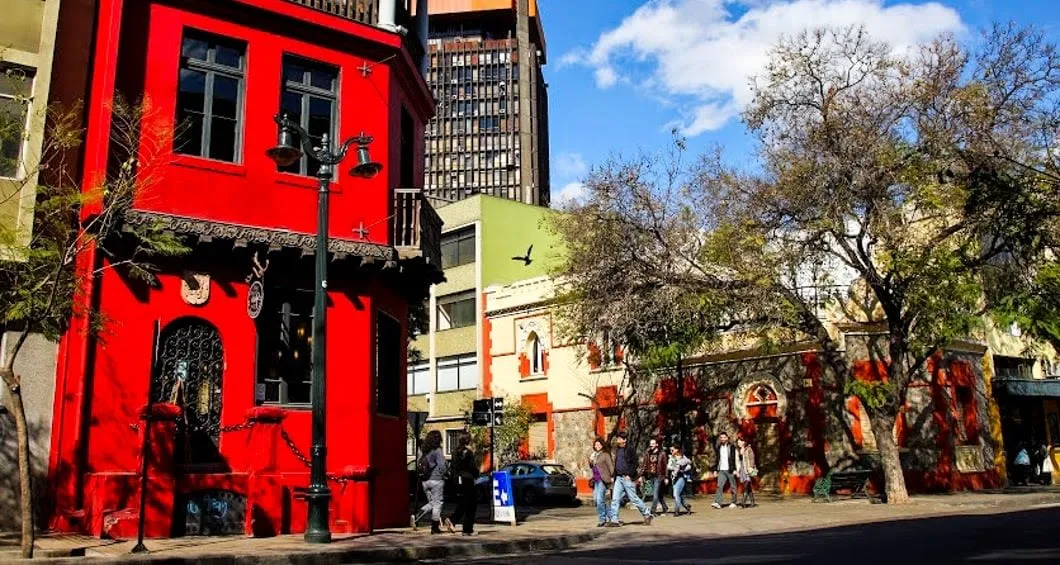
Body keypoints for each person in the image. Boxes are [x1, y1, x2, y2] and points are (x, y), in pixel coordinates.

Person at [608, 431, 653, 526]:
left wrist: (629, 474)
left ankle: (647, 514)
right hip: (619, 478)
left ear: (624, 440)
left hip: (627, 478)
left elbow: (635, 463)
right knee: (615, 499)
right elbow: (617, 464)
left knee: (634, 498)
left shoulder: (630, 449)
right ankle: (614, 520)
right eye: (617, 438)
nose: (618, 440)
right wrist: (614, 476)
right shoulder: (618, 449)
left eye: (619, 438)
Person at [412, 430, 446, 533]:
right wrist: (445, 474)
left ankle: (417, 515)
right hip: (436, 480)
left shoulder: (425, 450)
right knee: (438, 503)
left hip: (425, 481)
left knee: (432, 503)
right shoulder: (437, 450)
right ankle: (434, 527)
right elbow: (441, 466)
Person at [446, 432, 479, 536]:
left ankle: (453, 519)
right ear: (467, 440)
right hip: (467, 479)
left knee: (464, 502)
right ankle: (467, 530)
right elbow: (473, 467)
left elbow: (453, 467)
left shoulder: (455, 452)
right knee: (471, 505)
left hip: (457, 479)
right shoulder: (468, 452)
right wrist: (477, 475)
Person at [588, 437, 615, 527]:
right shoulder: (594, 455)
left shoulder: (605, 454)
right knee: (597, 500)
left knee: (600, 500)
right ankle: (610, 516)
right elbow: (592, 466)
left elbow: (611, 466)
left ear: (602, 445)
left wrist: (612, 476)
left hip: (603, 480)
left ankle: (602, 520)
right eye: (596, 445)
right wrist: (590, 460)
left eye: (599, 444)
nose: (597, 446)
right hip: (596, 480)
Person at [640, 437, 669, 516]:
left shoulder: (662, 453)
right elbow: (644, 464)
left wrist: (666, 477)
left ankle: (653, 511)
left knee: (655, 494)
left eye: (653, 444)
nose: (651, 446)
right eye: (650, 444)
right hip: (651, 475)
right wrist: (641, 475)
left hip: (659, 476)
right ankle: (665, 507)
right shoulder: (648, 453)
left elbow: (665, 466)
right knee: (659, 494)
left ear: (656, 445)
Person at [712, 431, 739, 509]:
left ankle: (734, 502)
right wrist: (715, 470)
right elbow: (717, 459)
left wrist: (734, 469)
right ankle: (718, 502)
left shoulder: (731, 447)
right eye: (721, 438)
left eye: (724, 437)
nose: (723, 439)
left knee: (733, 486)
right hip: (721, 470)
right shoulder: (718, 447)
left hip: (730, 469)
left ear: (727, 438)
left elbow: (734, 458)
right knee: (719, 486)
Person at [668, 446, 693, 516]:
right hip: (674, 477)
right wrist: (674, 466)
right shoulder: (671, 458)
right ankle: (687, 506)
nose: (671, 451)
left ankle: (676, 510)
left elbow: (689, 463)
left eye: (672, 450)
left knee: (675, 494)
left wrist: (682, 468)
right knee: (679, 495)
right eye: (671, 450)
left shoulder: (683, 457)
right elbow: (669, 466)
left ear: (677, 450)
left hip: (681, 477)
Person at [736, 436, 757, 508]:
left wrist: (751, 467)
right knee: (747, 484)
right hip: (741, 468)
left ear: (744, 442)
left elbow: (752, 458)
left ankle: (743, 501)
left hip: (747, 468)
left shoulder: (748, 449)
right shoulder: (738, 450)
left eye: (740, 442)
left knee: (747, 483)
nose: (739, 443)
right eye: (738, 442)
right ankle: (752, 501)